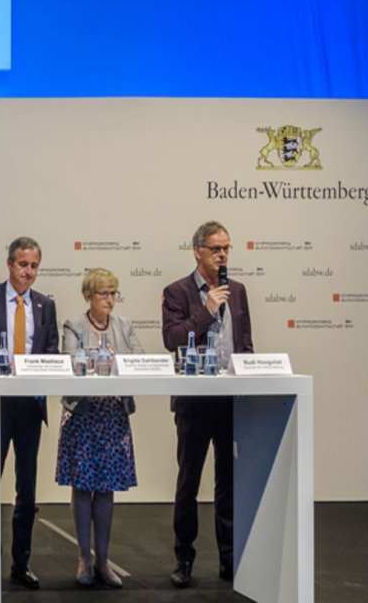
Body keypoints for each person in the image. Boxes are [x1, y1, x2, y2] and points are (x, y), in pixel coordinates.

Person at [0, 236, 58, 589]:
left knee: (27, 490)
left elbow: (51, 351)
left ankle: (21, 562)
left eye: (34, 266)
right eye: (22, 265)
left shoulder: (46, 305)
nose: (28, 272)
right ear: (9, 264)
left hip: (30, 406)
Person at [162, 221, 254, 589]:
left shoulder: (239, 291)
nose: (223, 255)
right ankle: (183, 558)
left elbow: (245, 343)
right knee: (189, 482)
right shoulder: (178, 291)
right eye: (216, 249)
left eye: (227, 248)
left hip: (230, 401)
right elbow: (172, 339)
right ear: (197, 251)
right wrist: (207, 309)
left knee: (228, 483)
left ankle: (230, 560)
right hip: (194, 402)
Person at [56, 268, 144, 589]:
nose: (109, 299)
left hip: (112, 416)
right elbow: (70, 363)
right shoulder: (74, 325)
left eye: (113, 293)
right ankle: (83, 557)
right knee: (82, 487)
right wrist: (106, 363)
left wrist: (105, 364)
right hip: (84, 414)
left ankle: (103, 561)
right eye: (103, 293)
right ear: (88, 296)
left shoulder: (124, 325)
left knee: (106, 489)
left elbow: (138, 360)